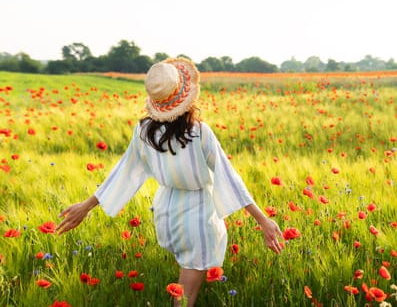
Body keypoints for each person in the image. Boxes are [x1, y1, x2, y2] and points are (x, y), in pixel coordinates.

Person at [56, 57, 283, 307]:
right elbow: (228, 176)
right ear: (186, 96)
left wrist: (86, 206)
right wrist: (263, 220)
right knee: (185, 298)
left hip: (166, 214)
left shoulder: (144, 132)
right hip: (197, 217)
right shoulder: (198, 132)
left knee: (185, 287)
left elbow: (123, 172)